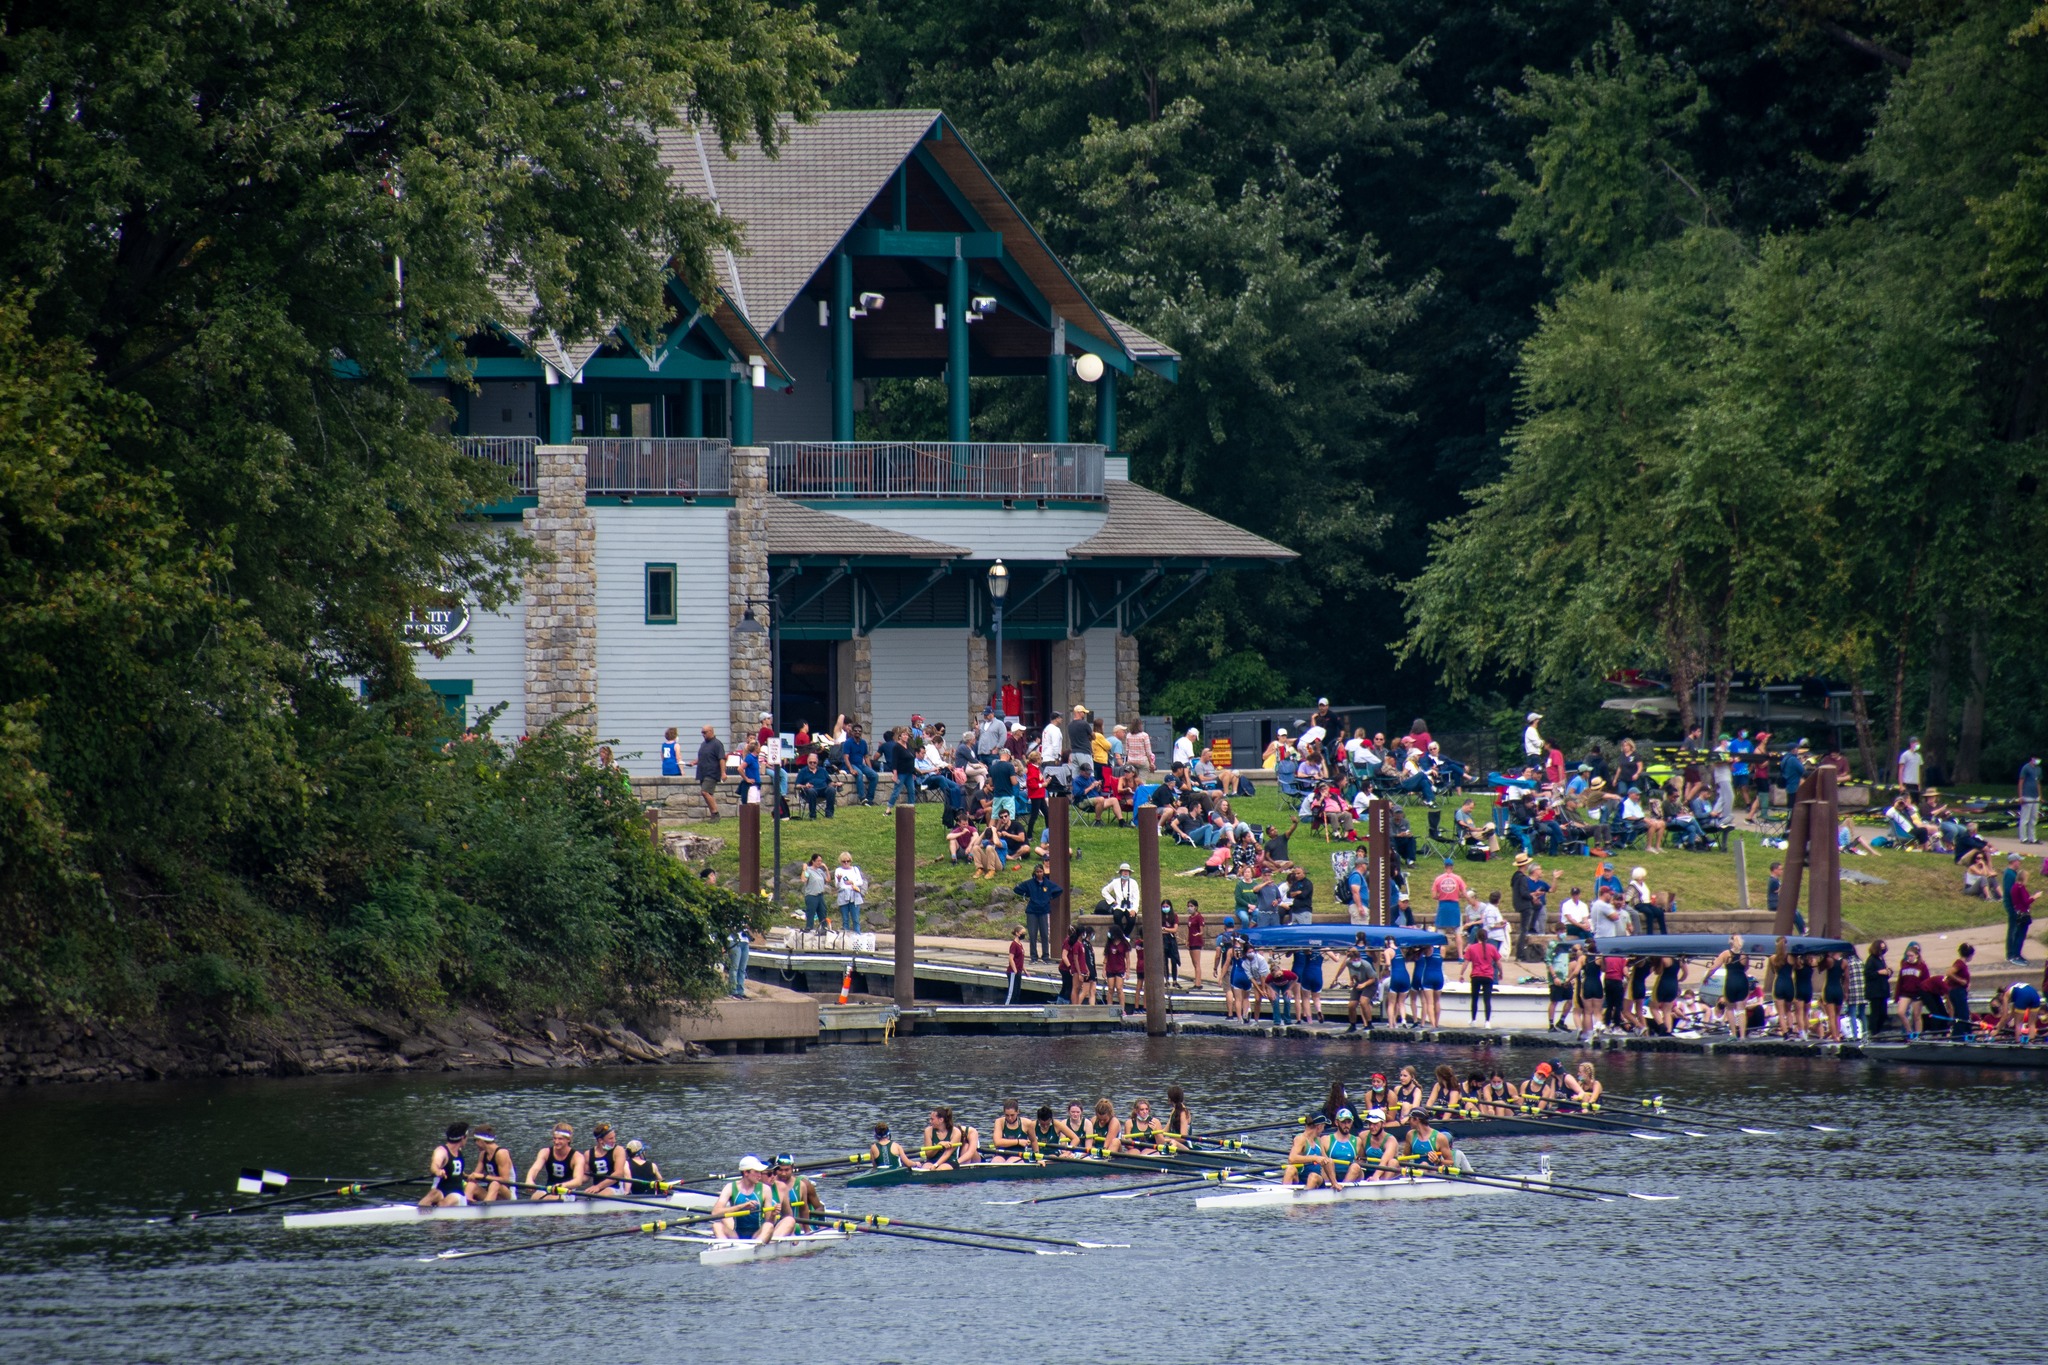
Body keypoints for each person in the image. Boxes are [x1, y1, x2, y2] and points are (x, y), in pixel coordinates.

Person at [709, 1154, 775, 1242]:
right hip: (736, 1234)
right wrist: (741, 1206)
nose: (759, 1175)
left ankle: (755, 1248)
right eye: (756, 1172)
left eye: (760, 1172)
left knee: (769, 1226)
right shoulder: (730, 1187)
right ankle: (724, 1247)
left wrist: (773, 1214)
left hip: (756, 1234)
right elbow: (715, 1213)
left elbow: (769, 1221)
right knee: (716, 1225)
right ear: (746, 1173)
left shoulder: (765, 1189)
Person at [1011, 864, 1063, 964]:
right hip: (1032, 911)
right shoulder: (1030, 883)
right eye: (1037, 872)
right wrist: (1027, 894)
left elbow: (1059, 890)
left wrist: (1050, 897)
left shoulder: (1048, 883)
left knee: (1044, 934)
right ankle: (1034, 957)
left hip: (1044, 911)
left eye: (1041, 871)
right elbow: (1017, 889)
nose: (1039, 873)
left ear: (1043, 872)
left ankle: (1045, 956)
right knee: (1032, 934)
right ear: (1034, 873)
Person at [526, 1124, 587, 1200]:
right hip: (548, 1189)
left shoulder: (577, 1157)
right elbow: (535, 1169)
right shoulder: (545, 1152)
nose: (556, 1142)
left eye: (560, 1139)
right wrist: (529, 1180)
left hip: (567, 1191)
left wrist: (562, 1185)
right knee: (535, 1196)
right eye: (554, 1138)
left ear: (568, 1139)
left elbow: (578, 1181)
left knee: (551, 1198)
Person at [418, 1122, 470, 1209]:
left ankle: (437, 1216)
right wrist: (437, 1171)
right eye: (467, 1137)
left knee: (444, 1203)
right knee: (429, 1197)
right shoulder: (441, 1151)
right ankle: (419, 1212)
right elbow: (434, 1165)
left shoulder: (459, 1150)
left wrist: (467, 1175)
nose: (467, 1140)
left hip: (457, 1193)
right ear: (462, 1138)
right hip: (440, 1189)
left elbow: (456, 1170)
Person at [1710, 935, 1753, 1039]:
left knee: (1730, 1008)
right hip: (1742, 981)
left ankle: (1733, 1034)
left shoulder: (1725, 954)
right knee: (1741, 1009)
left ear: (1730, 942)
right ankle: (1742, 1036)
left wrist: (1707, 977)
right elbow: (1746, 967)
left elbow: (1714, 967)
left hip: (1730, 982)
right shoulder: (1744, 954)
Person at [462, 1127, 516, 1203]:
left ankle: (486, 1208)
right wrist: (465, 1176)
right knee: (471, 1184)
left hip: (507, 1194)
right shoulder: (483, 1154)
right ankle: (465, 1206)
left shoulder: (502, 1153)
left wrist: (482, 1176)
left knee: (495, 1184)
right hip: (491, 1193)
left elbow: (505, 1180)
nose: (475, 1144)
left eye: (475, 1140)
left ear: (480, 1141)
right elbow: (475, 1176)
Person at [1465, 928, 1501, 1024]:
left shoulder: (1472, 948)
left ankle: (1473, 1019)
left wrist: (1461, 974)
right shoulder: (1492, 948)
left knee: (1474, 998)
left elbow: (1466, 962)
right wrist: (1501, 972)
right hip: (1488, 976)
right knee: (1487, 1000)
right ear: (1487, 938)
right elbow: (1498, 962)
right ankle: (1487, 1021)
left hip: (1476, 975)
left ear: (1477, 937)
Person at [695, 724, 726, 819]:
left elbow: (721, 759)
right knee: (708, 794)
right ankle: (713, 814)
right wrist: (694, 762)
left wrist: (723, 772)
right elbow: (702, 756)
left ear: (711, 731)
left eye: (704, 732)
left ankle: (715, 813)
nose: (703, 735)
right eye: (702, 733)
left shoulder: (717, 744)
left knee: (705, 792)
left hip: (712, 772)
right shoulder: (703, 744)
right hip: (702, 772)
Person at [1864, 940, 1894, 1036]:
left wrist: (1888, 972)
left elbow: (1884, 973)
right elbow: (1867, 974)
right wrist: (1878, 972)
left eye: (1884, 948)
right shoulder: (1871, 960)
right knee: (1876, 1013)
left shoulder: (1881, 959)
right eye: (1881, 948)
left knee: (1883, 1013)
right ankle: (1874, 1032)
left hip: (1883, 990)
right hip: (1875, 991)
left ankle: (1879, 1031)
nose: (1883, 950)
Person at [793, 751, 836, 818]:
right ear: (807, 762)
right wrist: (805, 786)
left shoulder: (822, 770)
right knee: (811, 791)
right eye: (810, 762)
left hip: (823, 790)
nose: (812, 764)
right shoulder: (803, 771)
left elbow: (829, 782)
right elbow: (797, 785)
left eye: (814, 762)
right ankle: (812, 815)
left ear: (817, 762)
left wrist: (836, 784)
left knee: (831, 789)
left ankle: (829, 814)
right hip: (809, 792)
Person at [833, 851, 867, 933]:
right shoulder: (838, 870)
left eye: (848, 861)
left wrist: (852, 882)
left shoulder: (855, 869)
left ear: (850, 861)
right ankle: (846, 938)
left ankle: (857, 936)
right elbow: (837, 886)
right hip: (843, 894)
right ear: (840, 862)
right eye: (843, 861)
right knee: (845, 919)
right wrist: (838, 880)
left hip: (854, 894)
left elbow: (861, 882)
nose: (846, 863)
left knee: (855, 919)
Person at [1948, 943, 1975, 1041]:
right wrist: (1961, 981)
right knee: (1963, 1015)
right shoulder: (1959, 963)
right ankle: (1957, 1036)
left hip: (1959, 991)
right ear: (1970, 955)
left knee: (1962, 1013)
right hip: (1958, 992)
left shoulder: (1961, 964)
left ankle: (1967, 1033)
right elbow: (1949, 973)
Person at [2021, 756, 2042, 846]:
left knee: (2034, 818)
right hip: (2027, 795)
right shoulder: (2026, 767)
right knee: (2025, 818)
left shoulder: (2038, 769)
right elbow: (2021, 781)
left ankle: (2033, 838)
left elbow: (2038, 782)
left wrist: (2040, 795)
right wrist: (2020, 796)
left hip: (2035, 796)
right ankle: (2023, 838)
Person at [1004, 926, 1027, 1005]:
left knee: (1017, 992)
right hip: (1013, 972)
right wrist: (1015, 970)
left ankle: (1015, 1006)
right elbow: (1011, 958)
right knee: (1012, 992)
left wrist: (1025, 971)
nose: (1024, 935)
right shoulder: (1014, 944)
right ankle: (1006, 1007)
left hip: (1019, 971)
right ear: (1017, 933)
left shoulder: (1020, 944)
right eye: (1022, 933)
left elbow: (1021, 960)